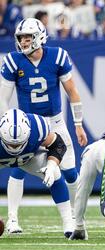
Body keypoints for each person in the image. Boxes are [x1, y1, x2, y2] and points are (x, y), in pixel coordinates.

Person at [0, 18, 88, 234]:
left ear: (39, 37)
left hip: (54, 123)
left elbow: (72, 91)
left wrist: (78, 124)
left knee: (69, 172)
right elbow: (2, 98)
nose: (23, 42)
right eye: (20, 38)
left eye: (27, 37)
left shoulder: (57, 55)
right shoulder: (13, 60)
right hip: (27, 124)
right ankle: (12, 219)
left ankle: (77, 217)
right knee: (18, 167)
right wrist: (7, 126)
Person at [0, 109, 74, 237]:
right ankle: (12, 220)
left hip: (29, 158)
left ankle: (69, 223)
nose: (15, 149)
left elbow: (58, 144)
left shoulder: (37, 126)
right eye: (10, 145)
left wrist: (51, 166)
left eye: (18, 145)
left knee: (55, 172)